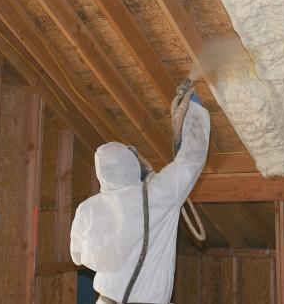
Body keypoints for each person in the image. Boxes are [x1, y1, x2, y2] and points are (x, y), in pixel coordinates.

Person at [70, 94, 210, 304]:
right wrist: (194, 112)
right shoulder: (156, 195)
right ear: (131, 165)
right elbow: (190, 161)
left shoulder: (87, 209)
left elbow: (77, 256)